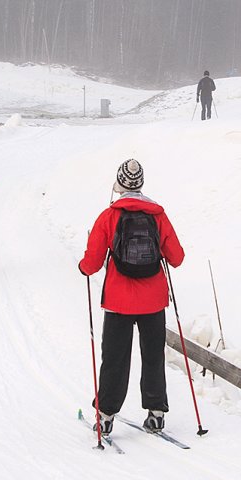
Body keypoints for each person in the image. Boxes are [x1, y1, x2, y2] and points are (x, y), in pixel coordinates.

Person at [77, 158, 185, 434]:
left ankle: (106, 416)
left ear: (120, 185)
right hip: (153, 302)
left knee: (114, 358)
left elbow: (91, 263)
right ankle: (157, 412)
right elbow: (177, 258)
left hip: (117, 302)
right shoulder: (158, 216)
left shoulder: (109, 216)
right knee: (152, 356)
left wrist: (83, 267)